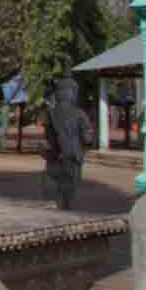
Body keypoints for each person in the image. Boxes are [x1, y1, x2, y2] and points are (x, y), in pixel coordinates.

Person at [42, 77, 95, 210]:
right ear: (73, 93)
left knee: (56, 183)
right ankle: (66, 206)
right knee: (70, 185)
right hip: (74, 156)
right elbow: (88, 139)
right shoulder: (80, 114)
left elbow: (47, 136)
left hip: (55, 156)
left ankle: (58, 204)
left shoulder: (50, 113)